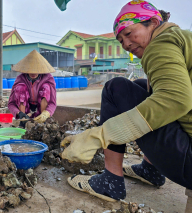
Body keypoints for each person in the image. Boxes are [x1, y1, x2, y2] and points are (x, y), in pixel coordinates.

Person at [61, 0, 192, 202]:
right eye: (121, 41)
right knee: (142, 85)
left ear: (154, 23)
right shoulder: (180, 37)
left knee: (116, 88)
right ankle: (150, 170)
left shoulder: (160, 44)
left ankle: (110, 181)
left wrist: (99, 135)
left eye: (129, 34)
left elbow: (175, 98)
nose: (127, 44)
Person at [8, 50, 57, 127]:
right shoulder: (20, 79)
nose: (33, 73)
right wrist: (19, 113)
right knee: (20, 88)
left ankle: (42, 122)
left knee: (46, 87)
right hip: (25, 110)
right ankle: (23, 123)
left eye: (36, 70)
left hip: (41, 110)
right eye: (30, 70)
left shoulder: (49, 78)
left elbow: (53, 103)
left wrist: (47, 113)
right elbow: (11, 104)